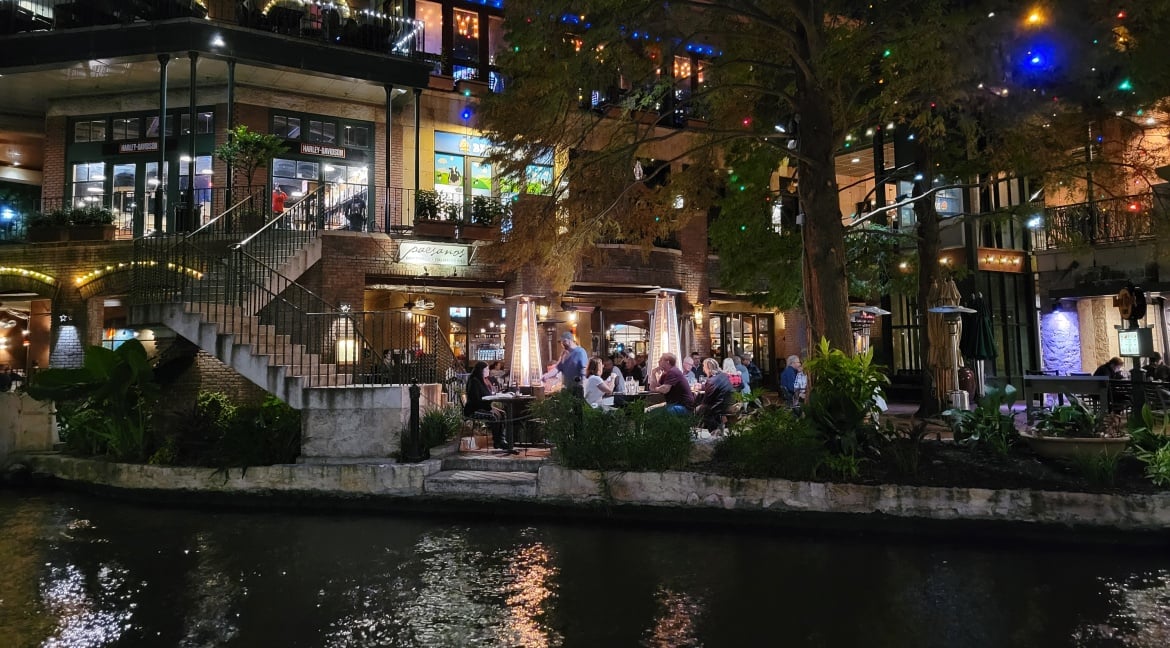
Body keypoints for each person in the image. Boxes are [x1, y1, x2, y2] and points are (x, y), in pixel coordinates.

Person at [464, 361, 514, 453]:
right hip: (473, 410)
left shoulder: (484, 380)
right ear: (481, 370)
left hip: (484, 406)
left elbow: (487, 394)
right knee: (493, 416)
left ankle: (501, 440)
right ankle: (497, 441)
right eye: (486, 369)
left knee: (502, 413)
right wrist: (489, 406)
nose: (488, 370)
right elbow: (476, 400)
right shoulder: (474, 381)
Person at [544, 331, 588, 396]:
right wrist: (546, 376)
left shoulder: (580, 352)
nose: (562, 344)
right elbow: (557, 368)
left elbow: (584, 369)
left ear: (569, 340)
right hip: (566, 388)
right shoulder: (564, 354)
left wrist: (583, 384)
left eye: (564, 341)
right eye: (561, 342)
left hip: (577, 388)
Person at [695, 358, 733, 432]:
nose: (703, 369)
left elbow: (706, 400)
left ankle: (702, 430)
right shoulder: (724, 376)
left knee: (697, 409)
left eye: (704, 366)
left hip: (718, 407)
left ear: (708, 368)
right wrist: (703, 387)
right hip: (728, 404)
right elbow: (717, 388)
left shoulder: (711, 381)